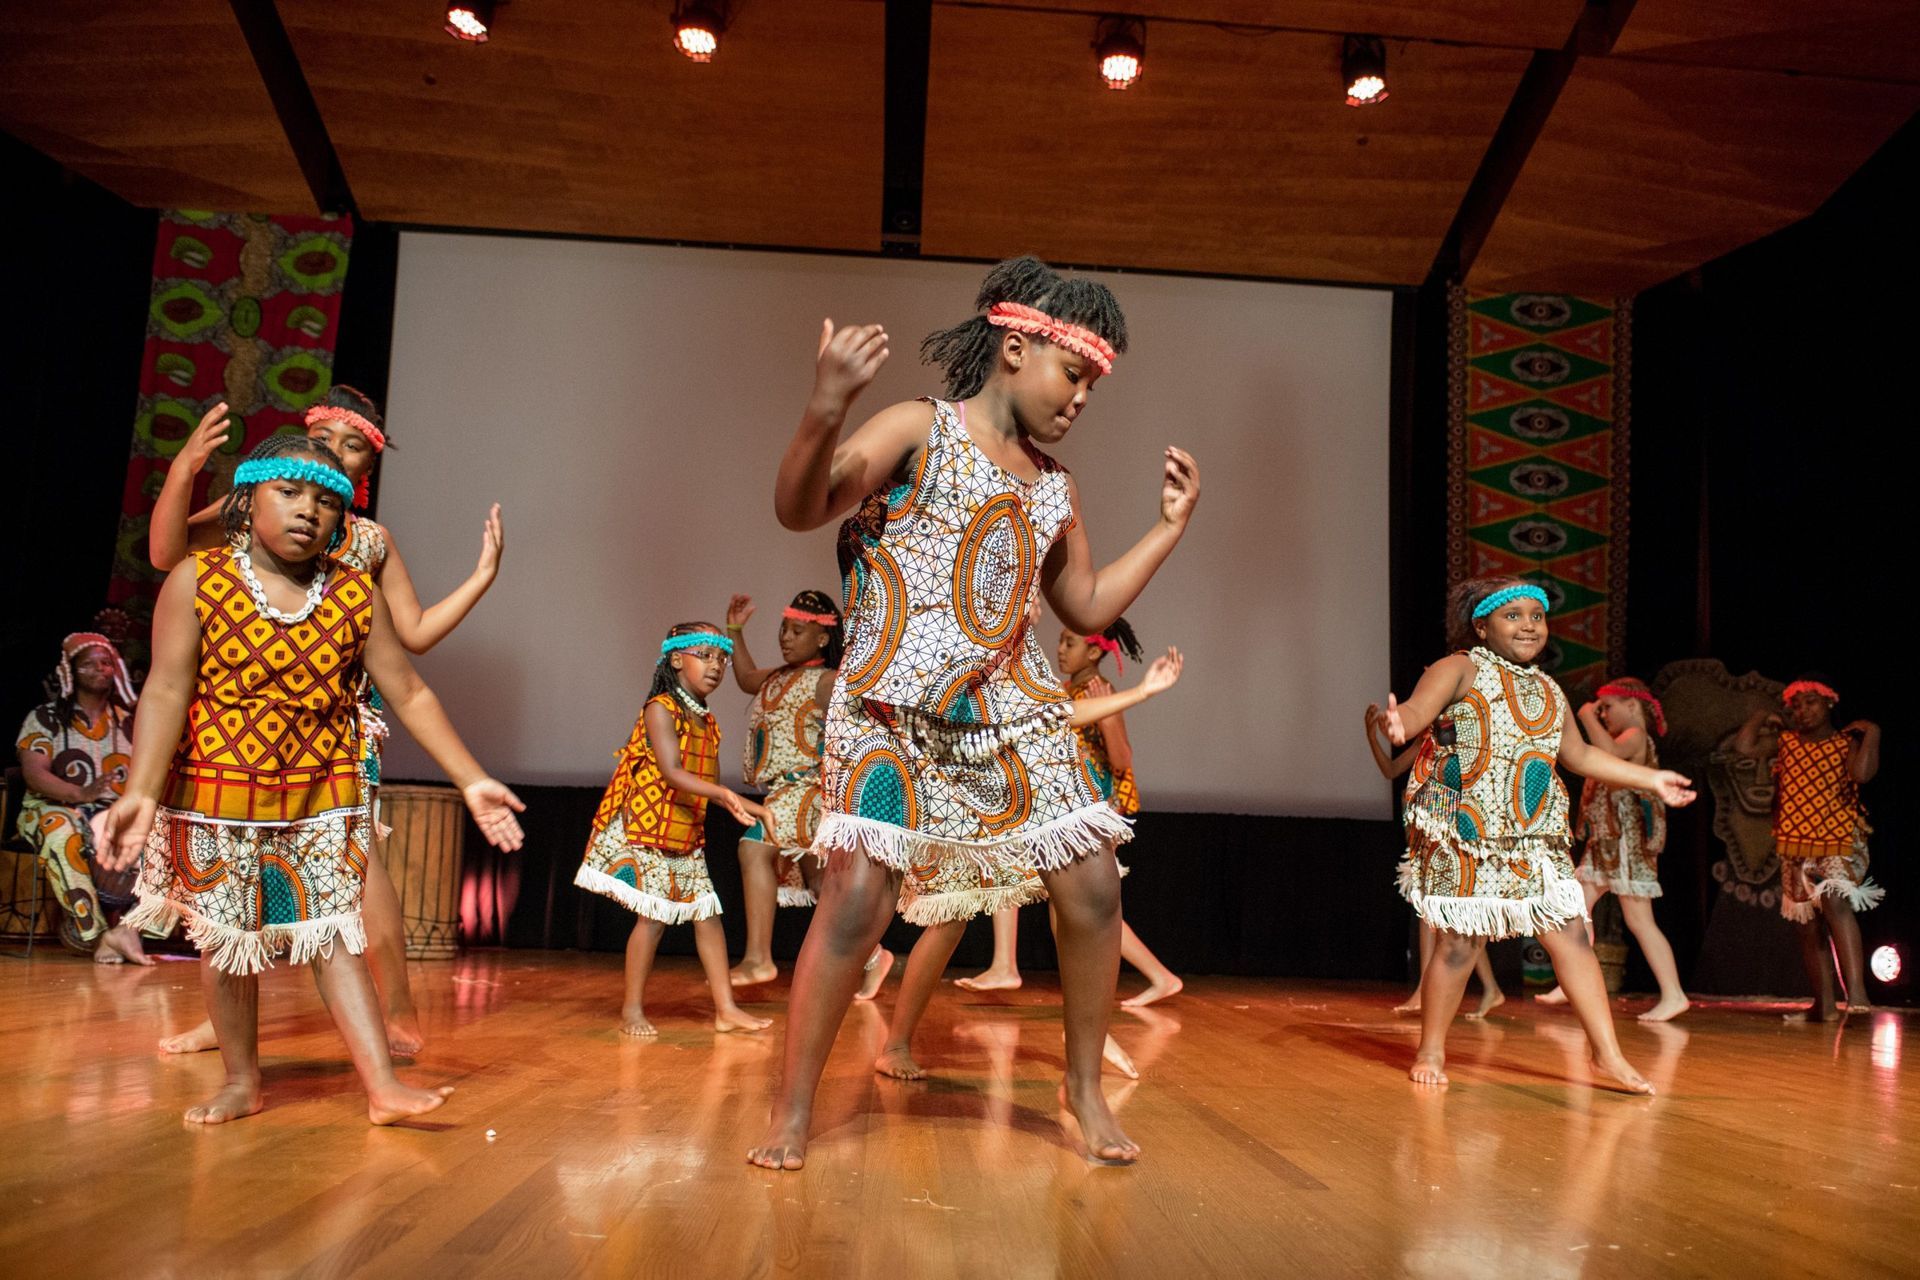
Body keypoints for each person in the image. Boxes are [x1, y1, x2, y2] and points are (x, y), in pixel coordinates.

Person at [748, 256, 1200, 1169]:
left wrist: (1168, 528)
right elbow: (800, 507)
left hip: (1007, 709)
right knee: (856, 902)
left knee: (1093, 883)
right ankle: (792, 1110)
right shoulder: (919, 427)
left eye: (1094, 386)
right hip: (890, 707)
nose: (1081, 399)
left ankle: (1082, 1089)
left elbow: (1083, 605)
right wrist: (826, 405)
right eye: (1073, 374)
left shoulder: (1055, 485)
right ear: (1016, 346)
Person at [94, 435, 525, 1125]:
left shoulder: (355, 594)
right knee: (229, 943)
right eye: (289, 493)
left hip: (320, 794)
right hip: (217, 793)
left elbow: (409, 691)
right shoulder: (198, 579)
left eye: (326, 501)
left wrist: (471, 779)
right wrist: (141, 792)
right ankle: (242, 1081)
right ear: (247, 501)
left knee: (333, 936)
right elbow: (167, 689)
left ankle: (382, 1088)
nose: (308, 511)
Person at [1381, 577, 1694, 1091]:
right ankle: (1432, 1049)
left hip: (1534, 834)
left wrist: (1650, 780)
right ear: (1482, 626)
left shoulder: (1548, 688)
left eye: (1537, 616)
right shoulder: (1459, 667)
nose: (1528, 625)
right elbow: (1418, 711)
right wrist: (1401, 724)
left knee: (1572, 936)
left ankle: (1608, 1055)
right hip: (1470, 830)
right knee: (1458, 945)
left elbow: (1580, 755)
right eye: (1513, 615)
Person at [871, 650, 1184, 1083]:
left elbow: (1060, 715)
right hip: (950, 793)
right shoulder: (959, 651)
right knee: (950, 919)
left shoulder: (1019, 668)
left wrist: (1143, 691)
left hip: (1012, 797)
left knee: (1071, 895)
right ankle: (896, 1044)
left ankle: (1087, 1033)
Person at [956, 620, 1181, 1008]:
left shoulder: (1098, 690)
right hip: (1066, 806)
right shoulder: (1066, 690)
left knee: (1074, 903)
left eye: (1070, 643)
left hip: (1094, 807)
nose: (1060, 650)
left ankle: (1012, 966)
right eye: (1060, 642)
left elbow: (1122, 758)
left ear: (1093, 652)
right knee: (1059, 900)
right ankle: (1010, 966)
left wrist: (1111, 714)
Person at [576, 622, 775, 1037]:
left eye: (722, 658)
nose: (716, 665)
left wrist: (754, 808)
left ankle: (726, 1010)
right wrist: (725, 795)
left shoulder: (706, 720)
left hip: (684, 831)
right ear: (676, 659)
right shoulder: (661, 708)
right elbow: (671, 772)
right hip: (649, 827)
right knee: (652, 919)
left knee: (708, 916)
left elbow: (710, 786)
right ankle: (631, 1009)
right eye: (705, 655)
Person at [722, 590, 894, 996]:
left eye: (796, 631)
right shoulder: (777, 676)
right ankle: (875, 956)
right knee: (821, 886)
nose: (785, 637)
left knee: (753, 848)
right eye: (783, 629)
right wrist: (735, 631)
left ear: (822, 638)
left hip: (808, 790)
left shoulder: (829, 681)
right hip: (782, 791)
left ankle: (759, 958)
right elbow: (746, 678)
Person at [1535, 678, 1688, 1021]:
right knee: (1575, 907)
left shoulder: (1634, 735)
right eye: (1599, 709)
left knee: (1639, 920)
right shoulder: (1624, 736)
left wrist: (1585, 715)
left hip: (1628, 844)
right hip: (1606, 844)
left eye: (1607, 707)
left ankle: (1674, 993)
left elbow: (1608, 756)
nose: (1602, 714)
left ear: (1632, 706)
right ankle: (1571, 980)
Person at [1733, 677, 1883, 1020]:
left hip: (1838, 837)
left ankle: (1857, 993)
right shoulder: (1786, 742)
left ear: (1829, 703)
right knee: (1807, 923)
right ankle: (1824, 1005)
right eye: (1796, 706)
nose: (1802, 711)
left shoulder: (1844, 742)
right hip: (1795, 841)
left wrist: (1872, 733)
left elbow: (1862, 775)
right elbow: (1743, 747)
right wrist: (1761, 716)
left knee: (1834, 903)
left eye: (1811, 702)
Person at [15, 633, 161, 964]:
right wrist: (81, 794)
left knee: (176, 839)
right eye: (89, 663)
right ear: (70, 671)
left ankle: (131, 929)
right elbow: (34, 774)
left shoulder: (131, 722)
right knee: (60, 829)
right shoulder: (45, 718)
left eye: (106, 662)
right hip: (53, 808)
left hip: (114, 814)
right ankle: (95, 935)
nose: (99, 668)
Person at [1365, 704, 1505, 1018]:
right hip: (1426, 838)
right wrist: (1372, 736)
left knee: (1448, 921)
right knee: (1440, 920)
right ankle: (1486, 989)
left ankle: (1428, 992)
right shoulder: (1426, 741)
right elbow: (1390, 770)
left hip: (1452, 836)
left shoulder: (1462, 744)